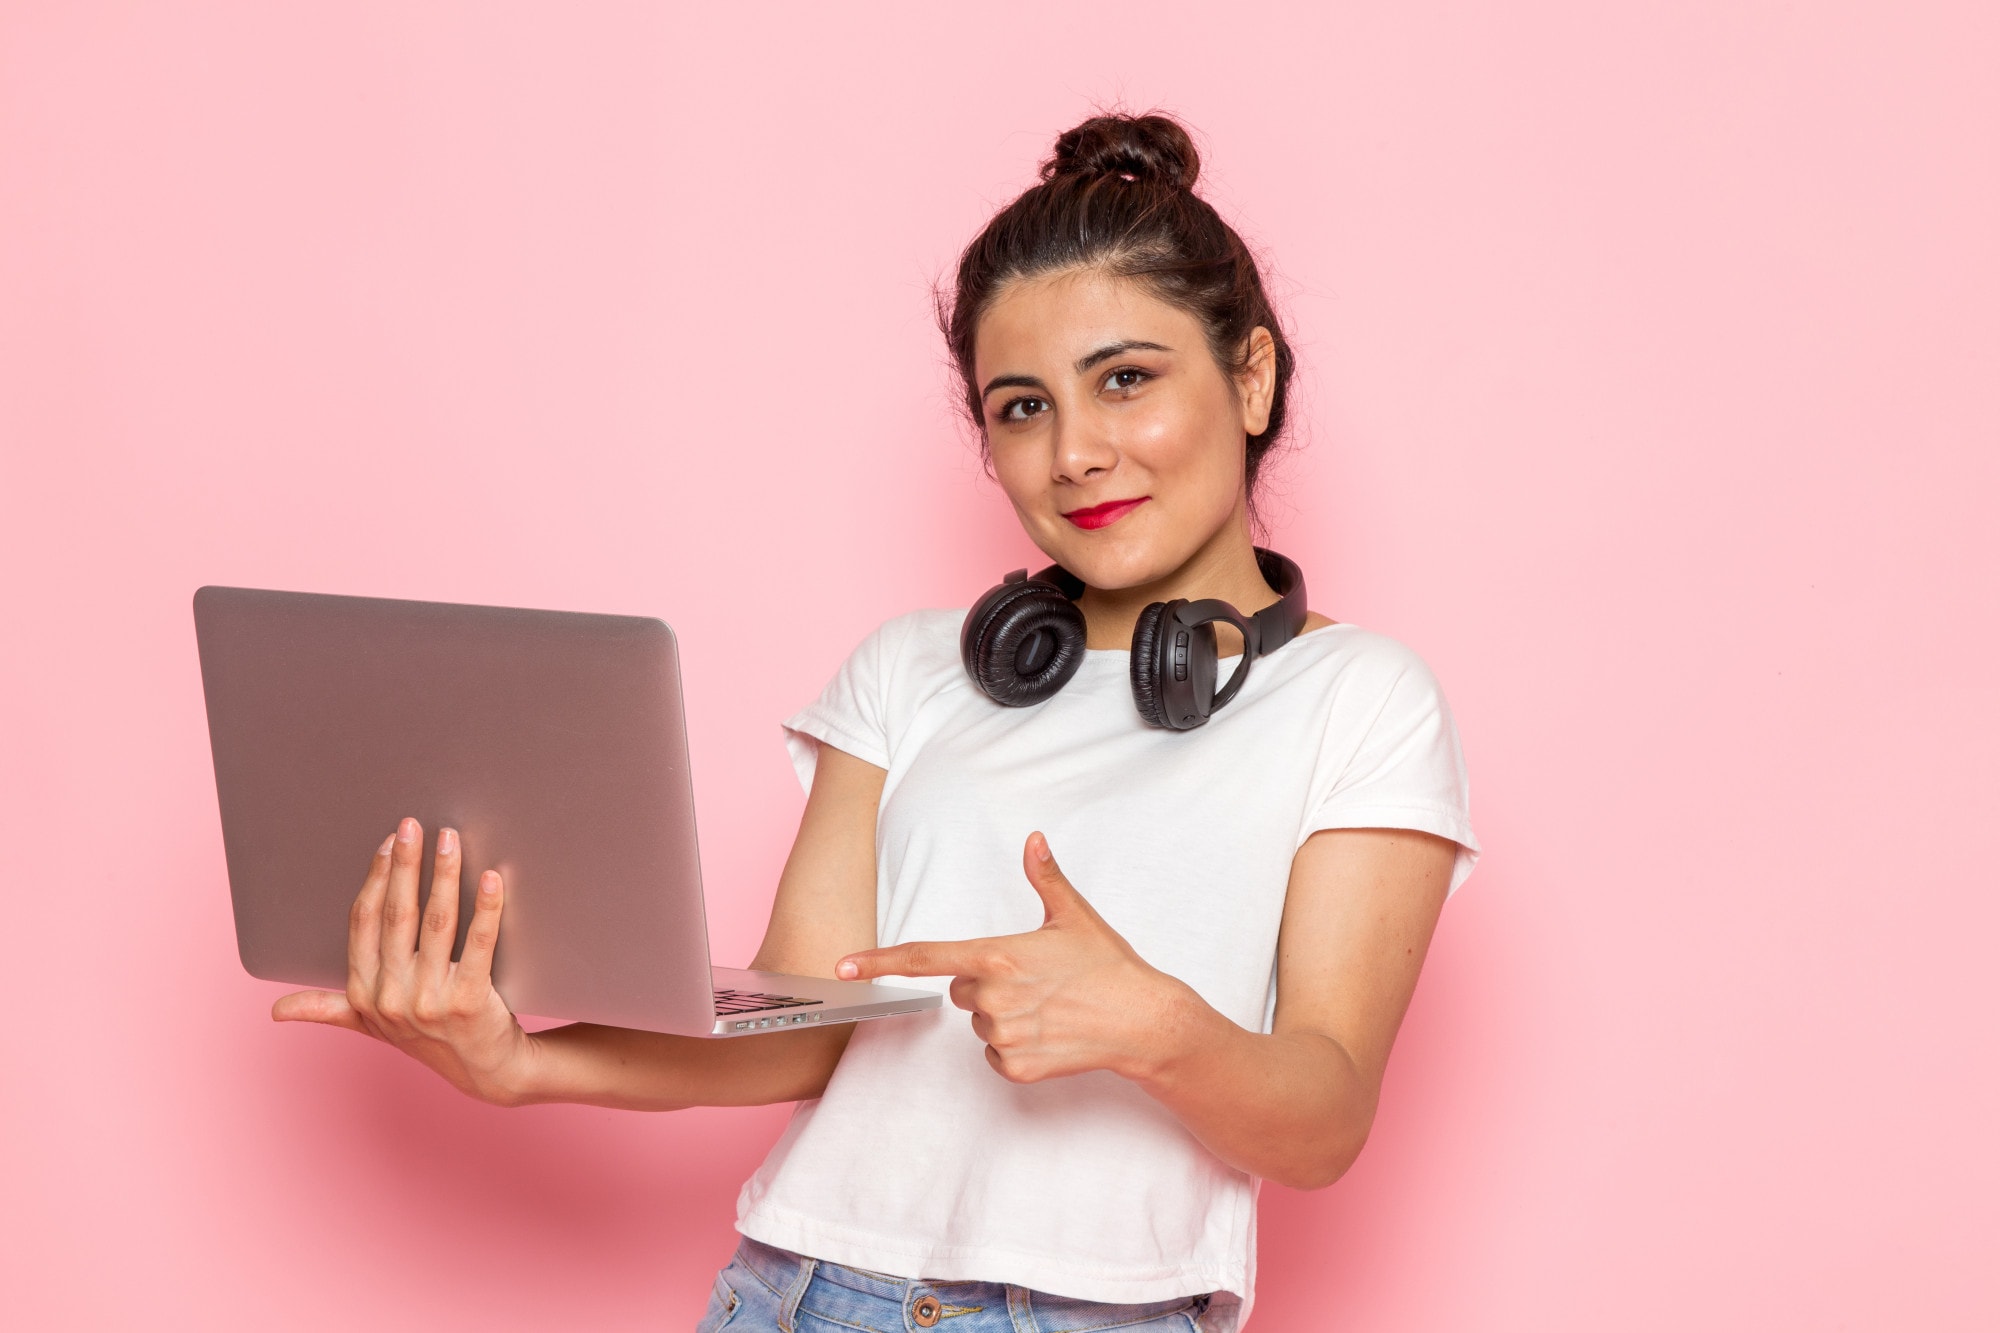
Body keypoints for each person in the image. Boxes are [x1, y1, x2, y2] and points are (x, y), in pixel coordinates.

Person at [272, 110, 1480, 1332]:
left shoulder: (1360, 700)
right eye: (1020, 407)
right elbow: (800, 1031)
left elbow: (1324, 1121)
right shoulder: (913, 671)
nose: (1073, 453)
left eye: (1125, 379)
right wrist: (517, 1058)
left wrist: (1152, 1024)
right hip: (795, 1293)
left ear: (1252, 376)